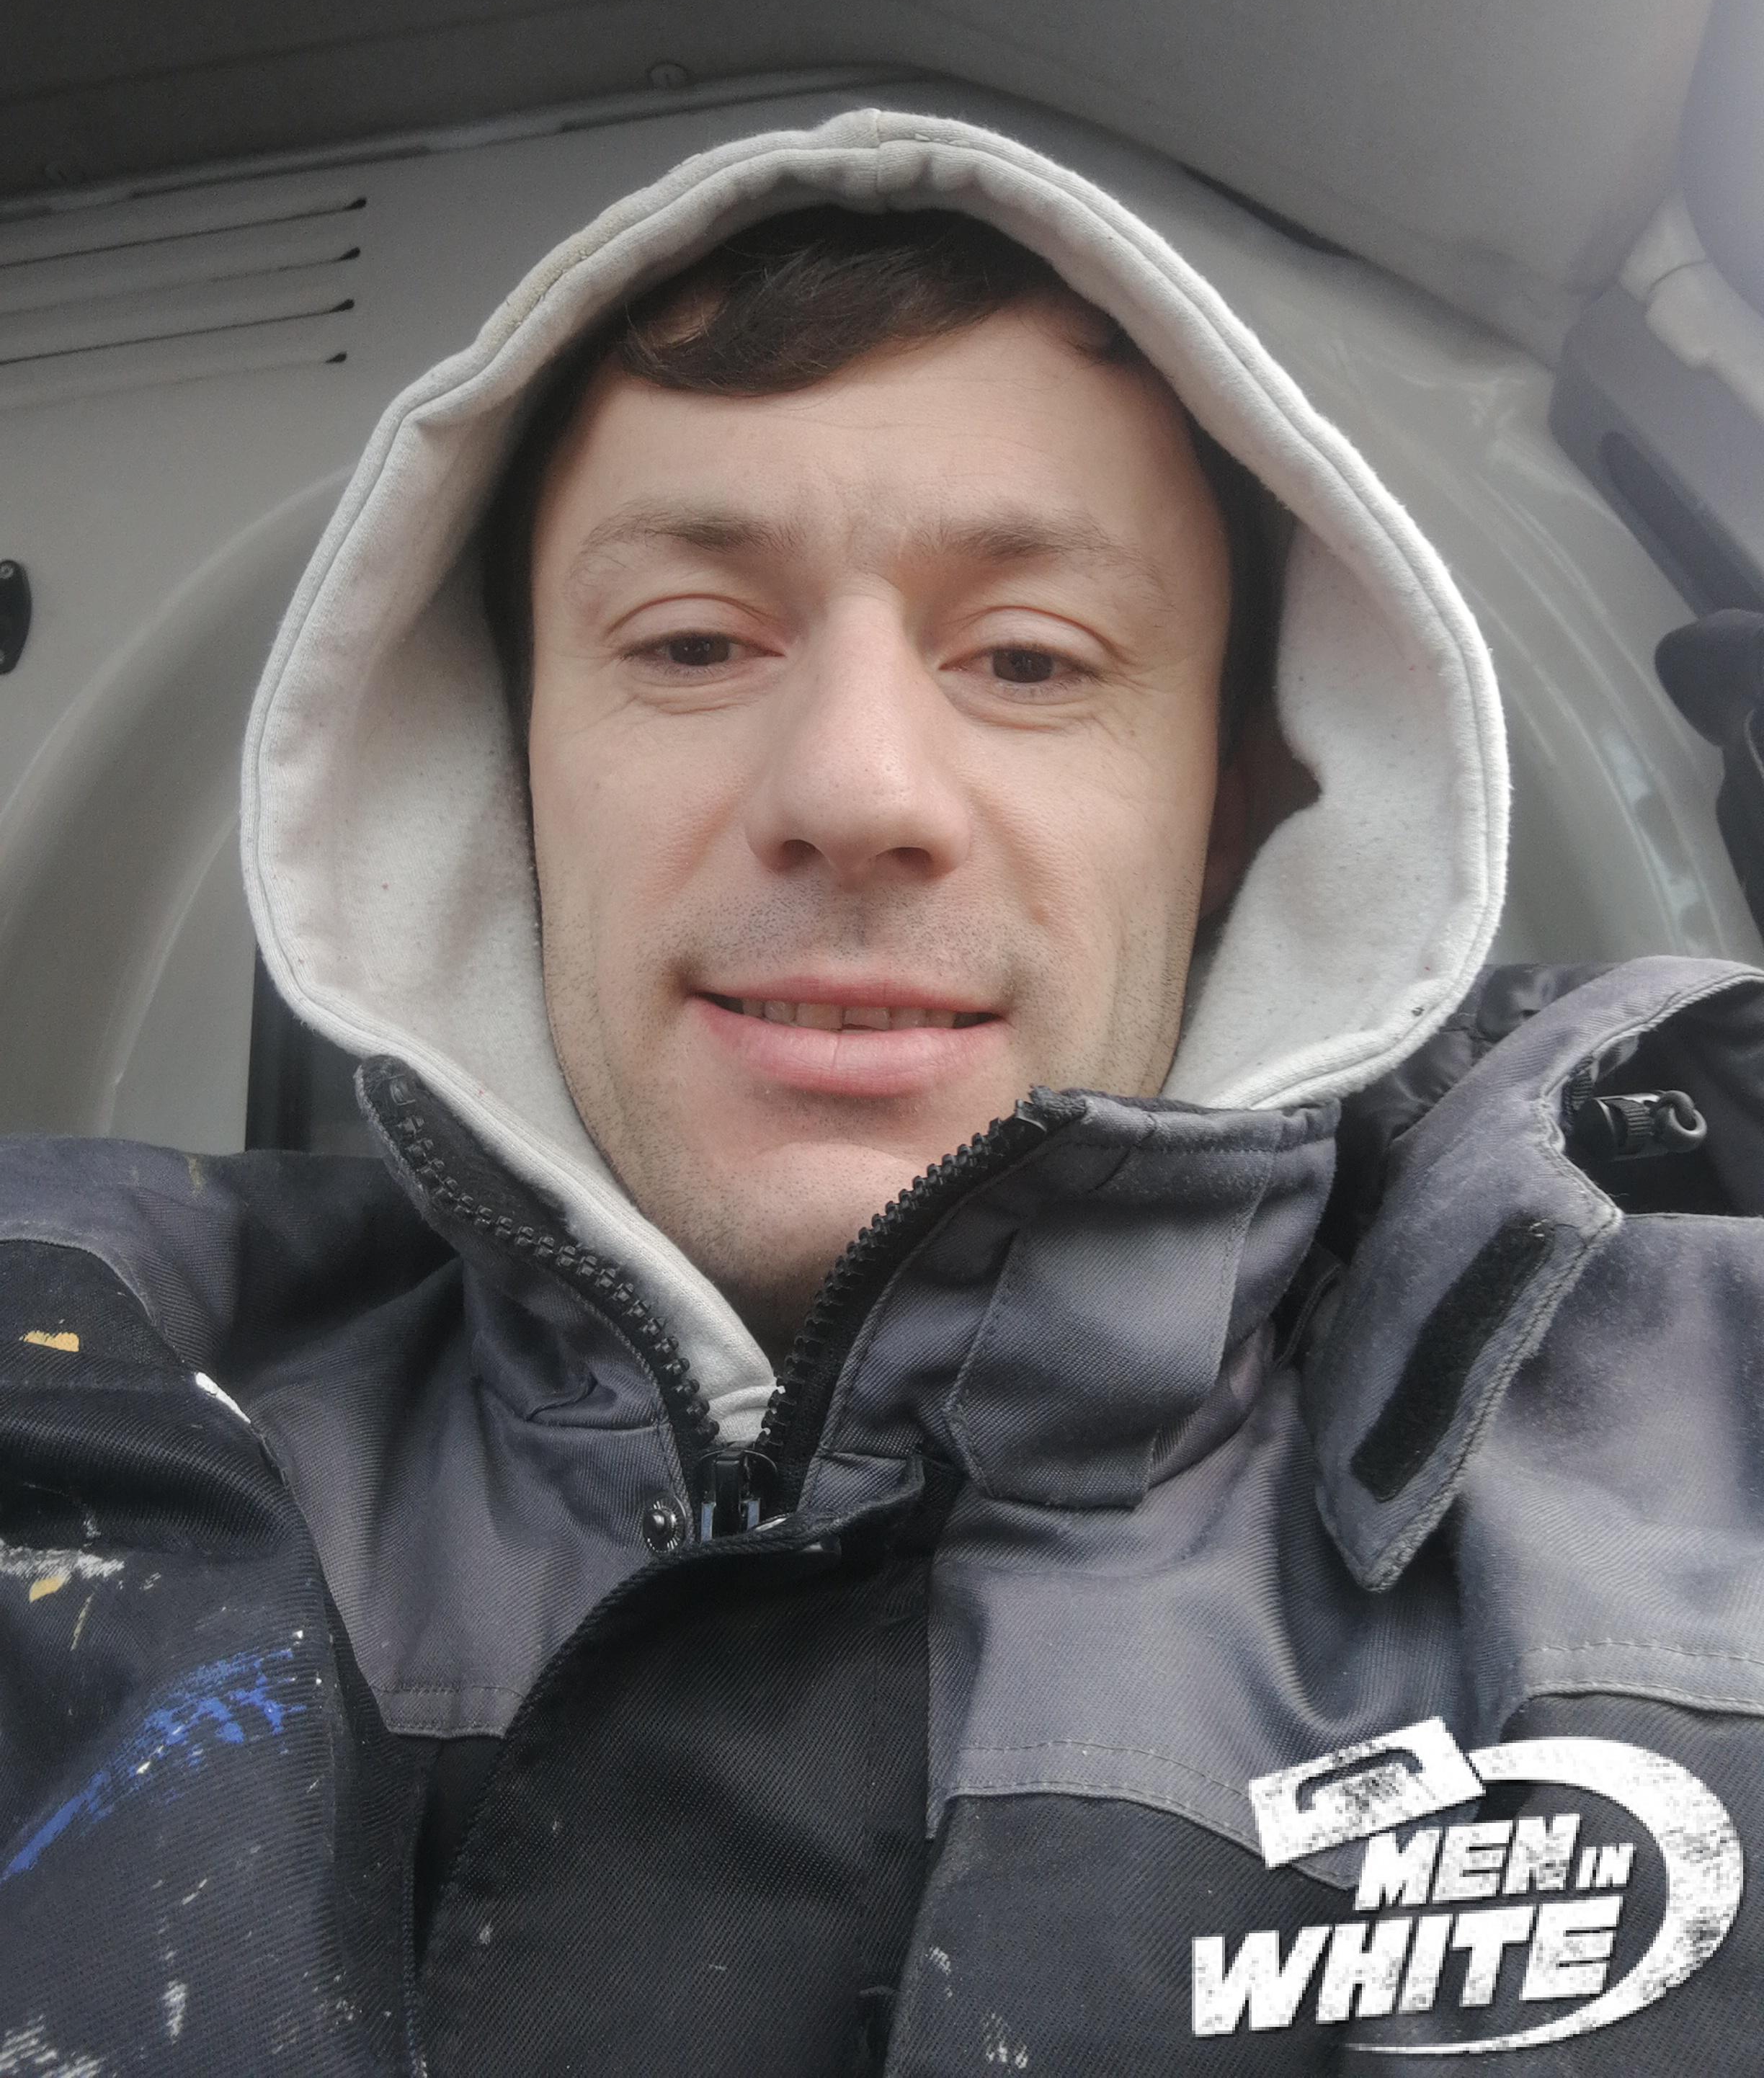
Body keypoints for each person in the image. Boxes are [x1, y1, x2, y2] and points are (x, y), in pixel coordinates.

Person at [2, 108, 1762, 2074]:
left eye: (1030, 661)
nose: (855, 791)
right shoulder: (85, 1385)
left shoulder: (1701, 1456)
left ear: (1232, 804)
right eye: (692, 643)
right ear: (503, 778)